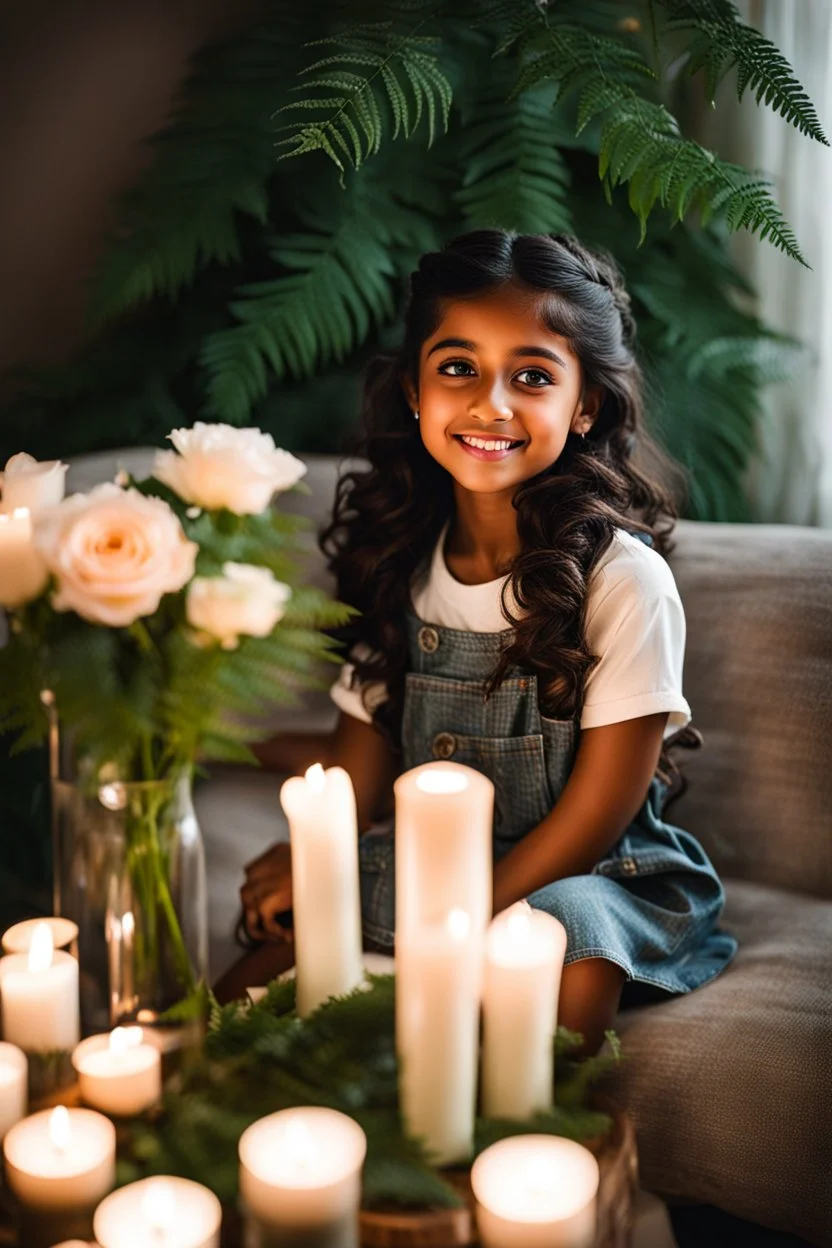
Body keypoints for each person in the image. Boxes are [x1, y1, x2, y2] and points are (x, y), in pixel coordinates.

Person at [221, 229, 738, 1054]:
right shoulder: (401, 559)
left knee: (567, 936)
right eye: (458, 367)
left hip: (584, 868)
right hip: (433, 861)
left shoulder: (623, 582)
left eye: (532, 376)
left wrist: (471, 915)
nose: (490, 403)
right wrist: (307, 858)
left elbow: (596, 814)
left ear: (584, 407)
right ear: (417, 392)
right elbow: (360, 763)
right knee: (272, 945)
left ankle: (528, 1125)